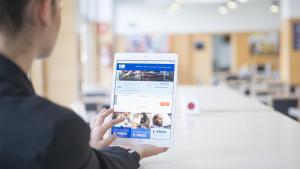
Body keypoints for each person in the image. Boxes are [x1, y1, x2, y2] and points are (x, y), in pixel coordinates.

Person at [0, 0, 167, 169]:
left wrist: (85, 153)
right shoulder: (54, 129)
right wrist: (136, 151)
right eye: (59, 8)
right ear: (43, 10)